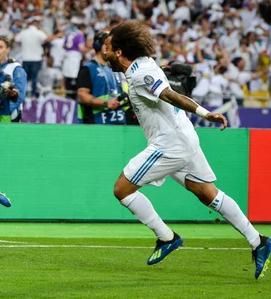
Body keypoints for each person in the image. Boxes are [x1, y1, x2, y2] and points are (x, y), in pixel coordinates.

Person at [102, 20, 271, 279]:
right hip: (184, 137)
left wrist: (205, 113)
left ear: (120, 52)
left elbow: (168, 94)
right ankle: (259, 241)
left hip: (169, 144)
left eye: (108, 47)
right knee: (207, 194)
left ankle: (166, 237)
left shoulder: (139, 74)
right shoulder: (143, 65)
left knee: (122, 189)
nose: (105, 52)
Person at [77, 31, 125, 125]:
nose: (113, 49)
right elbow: (82, 96)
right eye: (110, 45)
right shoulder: (88, 68)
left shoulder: (115, 69)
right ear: (99, 46)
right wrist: (106, 103)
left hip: (118, 121)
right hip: (97, 123)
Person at [0, 37, 27, 123]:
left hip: (9, 116)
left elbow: (19, 95)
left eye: (0, 47)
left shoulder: (15, 68)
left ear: (8, 50)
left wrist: (5, 112)